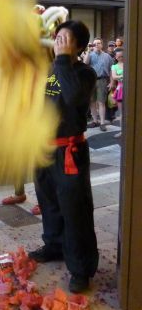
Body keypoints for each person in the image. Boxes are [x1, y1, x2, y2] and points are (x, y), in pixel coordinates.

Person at [29, 20, 99, 293]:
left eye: (65, 38)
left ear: (79, 46)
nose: (58, 41)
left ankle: (81, 268)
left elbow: (71, 98)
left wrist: (62, 60)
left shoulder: (85, 73)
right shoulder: (50, 71)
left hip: (70, 150)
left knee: (75, 210)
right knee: (49, 203)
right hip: (44, 150)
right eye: (57, 37)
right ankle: (54, 245)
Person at [84, 38, 113, 131]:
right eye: (95, 43)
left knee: (101, 102)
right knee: (92, 102)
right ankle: (95, 121)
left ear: (102, 44)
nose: (97, 45)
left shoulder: (107, 56)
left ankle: (102, 123)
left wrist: (112, 82)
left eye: (99, 43)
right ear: (92, 45)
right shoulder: (90, 55)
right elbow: (85, 64)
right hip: (91, 81)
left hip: (102, 80)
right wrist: (88, 51)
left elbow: (111, 70)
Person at [111, 48, 124, 139]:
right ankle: (123, 131)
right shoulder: (114, 66)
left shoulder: (129, 64)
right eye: (118, 57)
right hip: (121, 89)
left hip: (130, 88)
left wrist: (121, 76)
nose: (120, 58)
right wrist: (125, 75)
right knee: (122, 112)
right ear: (115, 57)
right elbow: (114, 77)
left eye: (122, 56)